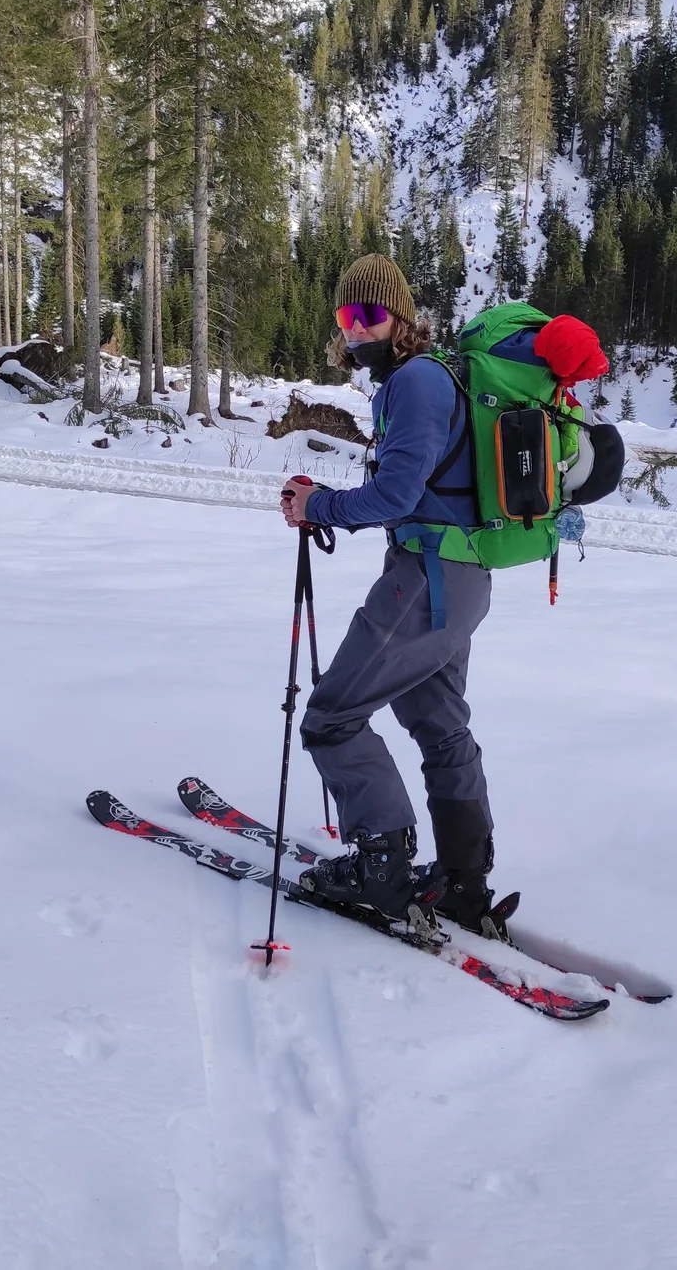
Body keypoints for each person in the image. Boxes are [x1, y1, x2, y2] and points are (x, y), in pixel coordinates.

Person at [278, 253, 503, 936]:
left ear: (400, 318)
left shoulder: (415, 384)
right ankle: (465, 879)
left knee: (331, 716)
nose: (358, 331)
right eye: (348, 317)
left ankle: (382, 863)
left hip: (426, 583)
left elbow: (396, 495)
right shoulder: (431, 379)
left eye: (371, 315)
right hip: (459, 583)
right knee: (440, 726)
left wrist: (318, 505)